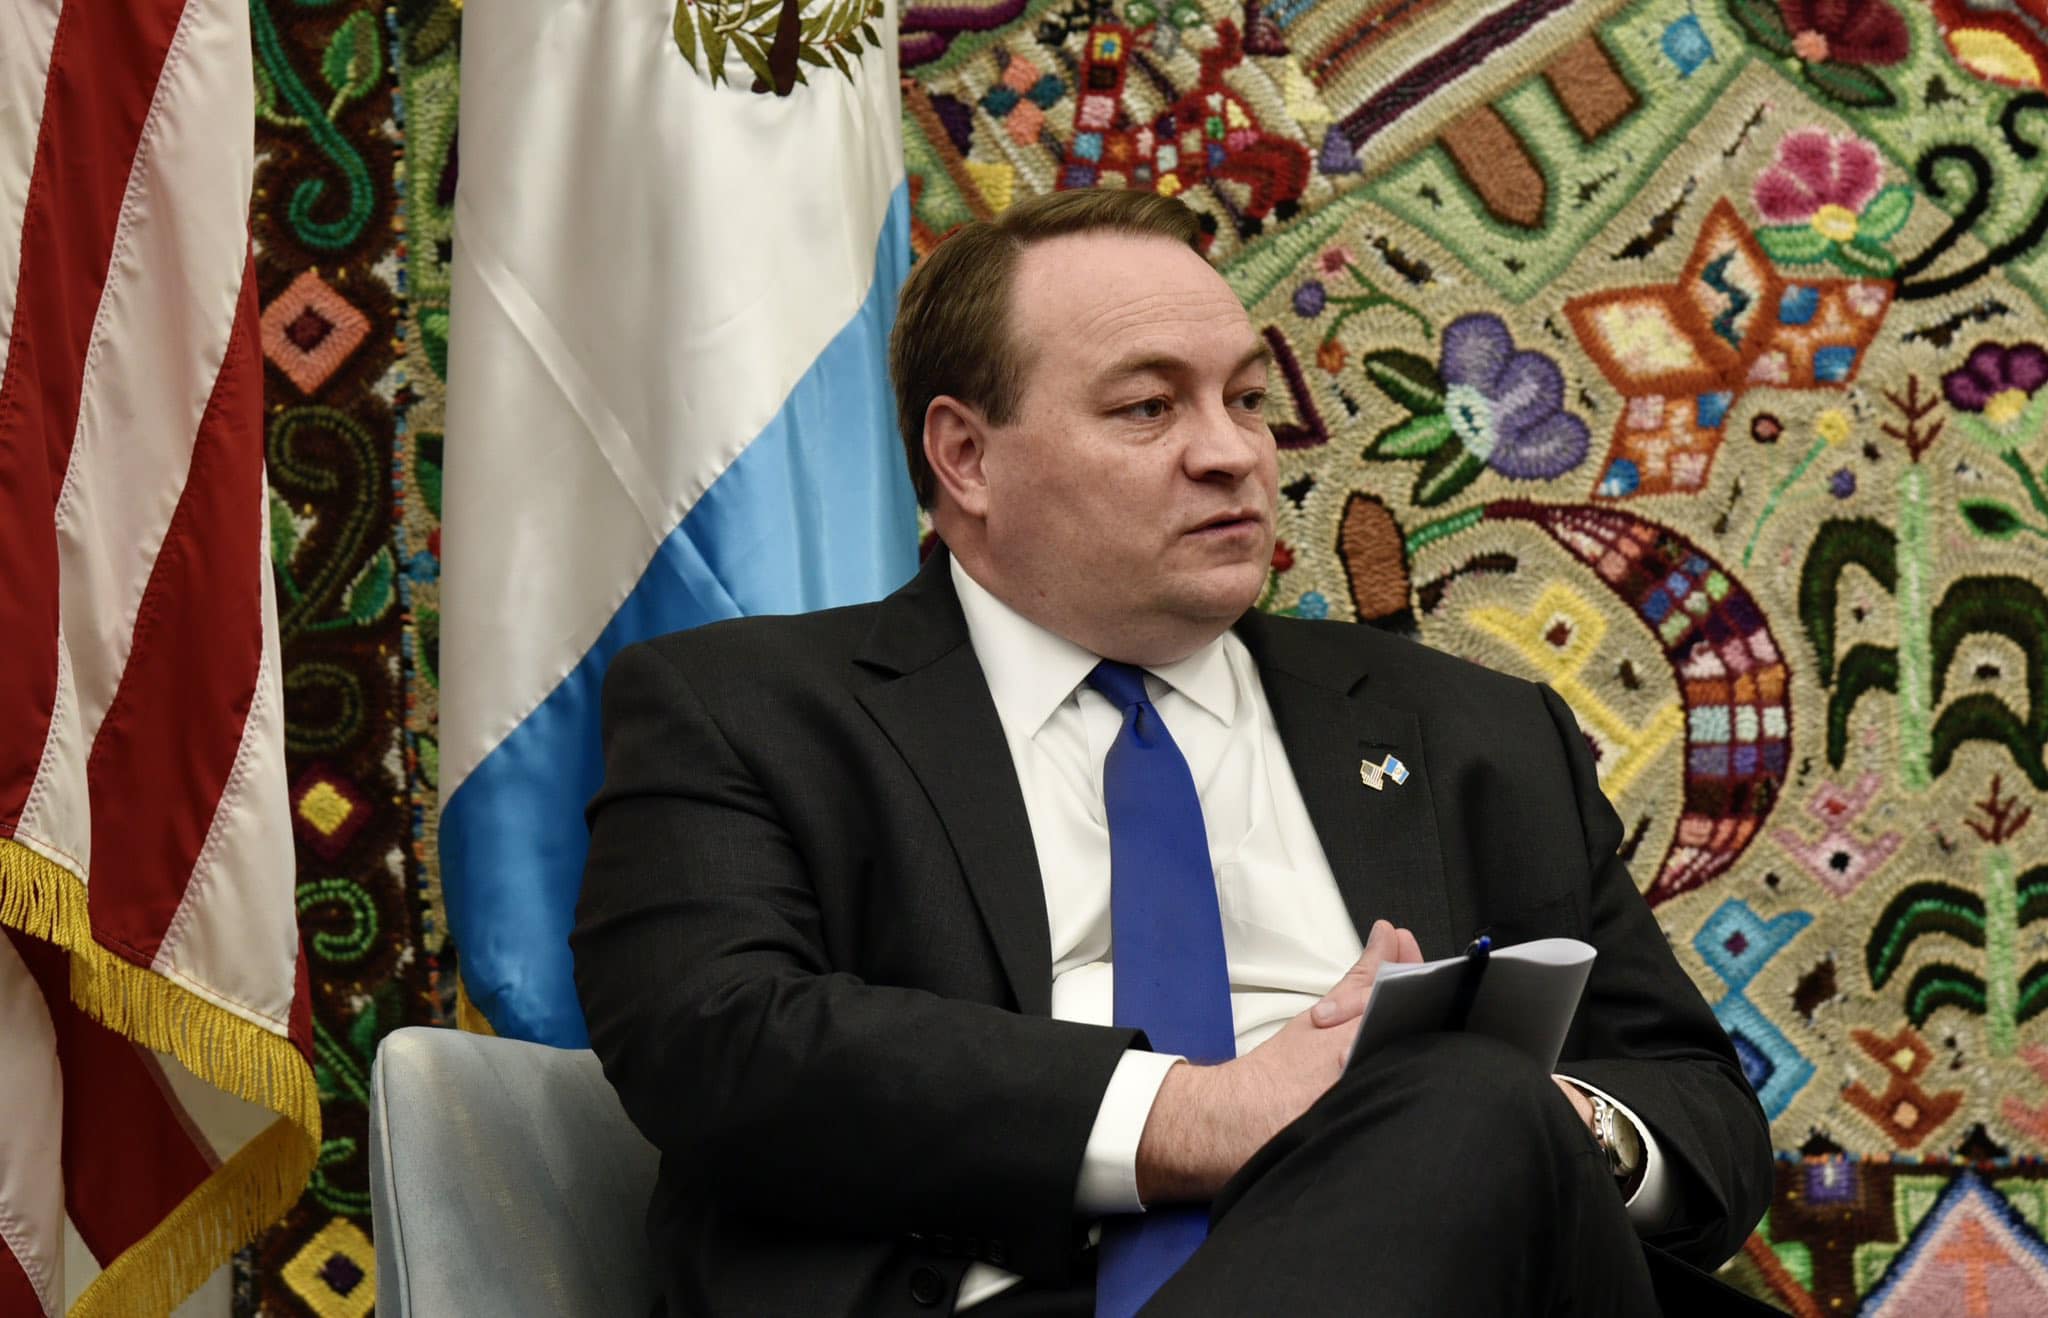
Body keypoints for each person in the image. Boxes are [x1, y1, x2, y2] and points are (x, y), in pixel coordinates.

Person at [572, 188, 1774, 1318]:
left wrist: (1537, 1126)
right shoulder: (748, 710)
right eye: (1148, 408)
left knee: (1465, 1095)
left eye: (1244, 399)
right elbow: (714, 1039)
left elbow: (1698, 1109)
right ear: (965, 457)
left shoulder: (1472, 733)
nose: (1230, 453)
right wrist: (1201, 1113)